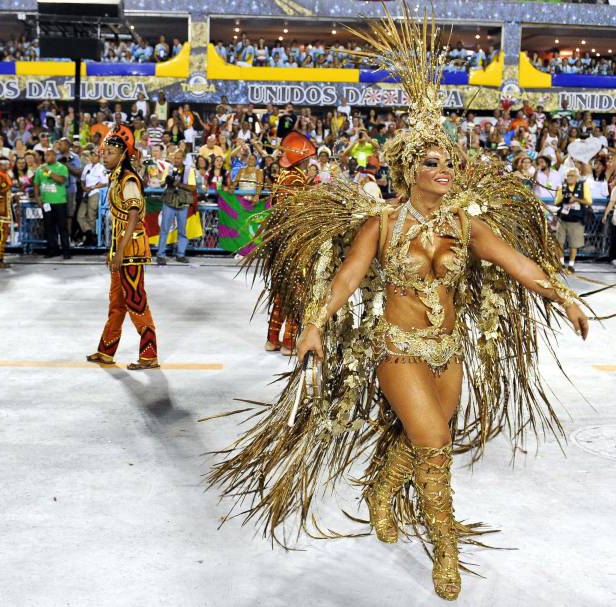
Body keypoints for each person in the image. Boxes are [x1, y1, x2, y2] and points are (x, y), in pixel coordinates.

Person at [207, 10, 589, 602]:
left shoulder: (467, 225)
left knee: (424, 438)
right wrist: (311, 325)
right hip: (397, 349)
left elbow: (521, 265)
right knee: (435, 447)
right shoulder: (381, 226)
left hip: (449, 350)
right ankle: (446, 552)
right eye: (431, 161)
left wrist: (563, 296)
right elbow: (345, 280)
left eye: (448, 160)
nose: (444, 169)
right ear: (408, 168)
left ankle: (381, 492)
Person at [86, 126, 159, 370]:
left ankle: (149, 356)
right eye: (103, 152)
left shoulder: (128, 179)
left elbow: (134, 215)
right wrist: (114, 250)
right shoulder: (116, 177)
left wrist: (119, 251)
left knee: (136, 300)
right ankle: (106, 351)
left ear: (121, 154)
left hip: (131, 250)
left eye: (108, 152)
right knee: (116, 302)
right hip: (121, 248)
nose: (104, 156)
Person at [264, 131, 316, 356]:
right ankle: (289, 342)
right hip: (293, 243)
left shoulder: (283, 176)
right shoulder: (295, 179)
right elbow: (294, 212)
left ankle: (272, 340)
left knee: (281, 292)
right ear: (302, 160)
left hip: (280, 243)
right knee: (296, 292)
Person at [156, 149, 196, 265]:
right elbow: (162, 183)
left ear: (183, 158)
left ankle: (180, 254)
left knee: (182, 230)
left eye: (179, 158)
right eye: (175, 158)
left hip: (183, 202)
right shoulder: (168, 169)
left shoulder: (189, 170)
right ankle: (160, 255)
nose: (176, 160)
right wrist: (166, 181)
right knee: (164, 228)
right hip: (169, 200)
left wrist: (179, 184)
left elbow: (193, 188)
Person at [554, 166, 593, 273]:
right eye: (568, 175)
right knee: (559, 242)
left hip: (576, 219)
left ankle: (571, 264)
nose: (569, 177)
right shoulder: (562, 186)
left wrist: (576, 199)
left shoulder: (583, 185)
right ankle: (561, 263)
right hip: (563, 218)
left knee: (574, 244)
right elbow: (556, 202)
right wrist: (561, 195)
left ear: (577, 177)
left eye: (571, 175)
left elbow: (589, 202)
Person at [33, 148, 70, 259]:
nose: (46, 157)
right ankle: (52, 250)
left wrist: (48, 172)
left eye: (48, 155)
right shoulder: (40, 169)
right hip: (46, 203)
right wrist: (37, 197)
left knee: (62, 228)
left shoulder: (61, 167)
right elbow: (36, 184)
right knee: (49, 227)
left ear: (54, 156)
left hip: (59, 202)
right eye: (45, 155)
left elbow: (61, 180)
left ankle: (66, 251)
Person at [78, 147, 107, 247]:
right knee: (80, 216)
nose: (93, 157)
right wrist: (83, 187)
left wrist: (93, 186)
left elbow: (105, 182)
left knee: (91, 216)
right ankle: (91, 236)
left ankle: (91, 239)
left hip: (95, 192)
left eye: (95, 155)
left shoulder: (101, 168)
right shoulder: (87, 166)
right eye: (92, 155)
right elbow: (82, 179)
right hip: (86, 193)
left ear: (99, 157)